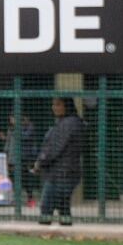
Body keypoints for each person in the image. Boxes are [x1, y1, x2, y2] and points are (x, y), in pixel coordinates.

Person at [33, 96, 86, 226]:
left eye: (58, 105)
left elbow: (54, 148)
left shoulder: (69, 123)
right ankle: (65, 232)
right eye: (54, 105)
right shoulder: (68, 122)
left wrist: (40, 162)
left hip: (62, 174)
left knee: (47, 207)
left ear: (66, 106)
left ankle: (45, 235)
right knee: (63, 207)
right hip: (63, 172)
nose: (54, 108)